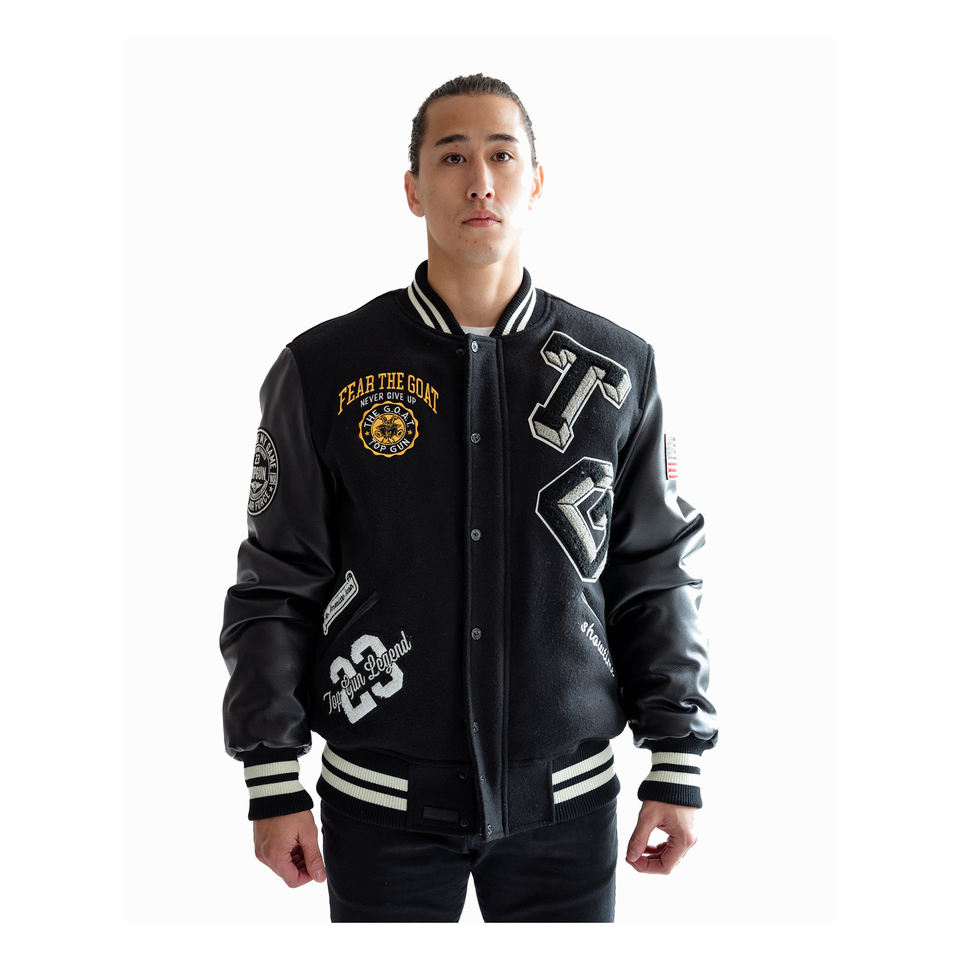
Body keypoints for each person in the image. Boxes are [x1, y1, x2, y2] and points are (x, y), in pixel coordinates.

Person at [219, 72, 719, 923]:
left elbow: (655, 571)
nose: (479, 180)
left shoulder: (620, 367)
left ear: (537, 182)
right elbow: (277, 579)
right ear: (413, 189)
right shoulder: (325, 367)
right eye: (451, 157)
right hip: (379, 804)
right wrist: (273, 777)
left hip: (568, 805)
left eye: (501, 155)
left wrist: (677, 758)